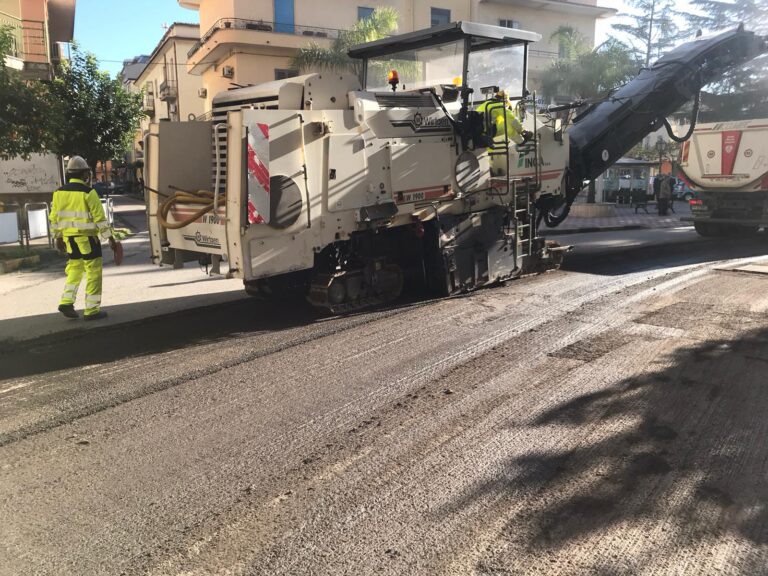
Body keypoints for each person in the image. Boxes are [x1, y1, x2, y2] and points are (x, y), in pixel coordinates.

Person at [49, 156, 122, 321]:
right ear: (84, 175)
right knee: (93, 272)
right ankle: (92, 310)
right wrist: (110, 239)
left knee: (75, 269)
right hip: (87, 239)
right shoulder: (89, 193)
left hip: (70, 240)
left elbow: (54, 218)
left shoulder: (58, 193)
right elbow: (100, 218)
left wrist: (58, 237)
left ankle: (66, 301)